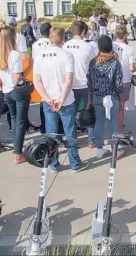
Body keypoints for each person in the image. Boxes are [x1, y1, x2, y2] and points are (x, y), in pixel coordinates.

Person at [33, 27, 87, 173]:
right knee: (70, 133)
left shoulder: (39, 56)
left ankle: (54, 164)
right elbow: (69, 80)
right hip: (66, 101)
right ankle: (74, 163)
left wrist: (46, 98)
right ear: (63, 38)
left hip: (49, 101)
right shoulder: (67, 55)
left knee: (51, 134)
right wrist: (62, 99)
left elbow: (36, 81)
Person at [0, 26, 27, 164]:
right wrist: (24, 77)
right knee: (20, 122)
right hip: (17, 90)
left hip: (6, 90)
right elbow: (17, 77)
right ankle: (18, 153)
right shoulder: (14, 54)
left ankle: (17, 149)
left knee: (14, 120)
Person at [87, 35, 124, 159]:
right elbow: (118, 83)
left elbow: (89, 81)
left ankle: (99, 149)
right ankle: (114, 149)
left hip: (97, 96)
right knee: (113, 122)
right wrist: (121, 97)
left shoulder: (93, 62)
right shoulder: (114, 62)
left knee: (99, 122)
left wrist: (90, 97)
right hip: (111, 96)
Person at [63, 21, 97, 148]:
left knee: (70, 113)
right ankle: (92, 140)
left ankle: (72, 140)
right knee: (89, 111)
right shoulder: (88, 47)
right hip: (85, 84)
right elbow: (94, 65)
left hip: (70, 84)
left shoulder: (65, 45)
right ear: (83, 31)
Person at [113, 26, 135, 135]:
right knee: (121, 107)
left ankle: (113, 127)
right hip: (124, 79)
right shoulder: (129, 49)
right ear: (125, 35)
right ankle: (120, 129)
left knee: (111, 105)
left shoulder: (111, 46)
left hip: (111, 79)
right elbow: (132, 68)